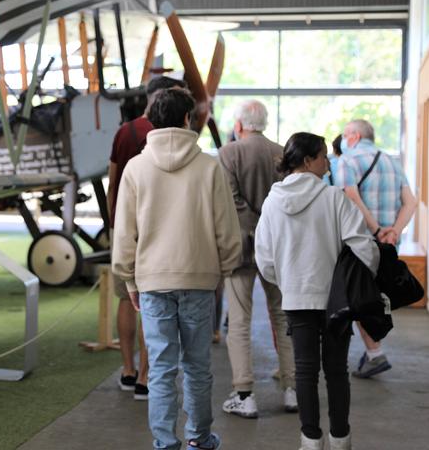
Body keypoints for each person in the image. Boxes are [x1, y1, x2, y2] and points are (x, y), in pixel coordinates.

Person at [112, 88, 242, 450]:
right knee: (197, 367)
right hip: (200, 279)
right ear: (187, 119)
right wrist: (228, 267)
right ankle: (199, 439)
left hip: (152, 281)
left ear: (152, 119)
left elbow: (125, 232)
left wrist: (129, 278)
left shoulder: (136, 168)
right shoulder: (208, 166)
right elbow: (226, 228)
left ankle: (165, 442)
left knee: (162, 368)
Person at [255, 132, 378, 450]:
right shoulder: (335, 198)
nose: (328, 161)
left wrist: (286, 282)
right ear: (308, 161)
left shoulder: (272, 202)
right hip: (335, 298)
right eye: (324, 156)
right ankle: (340, 438)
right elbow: (364, 247)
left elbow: (264, 258)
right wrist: (360, 281)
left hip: (296, 297)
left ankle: (310, 439)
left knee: (304, 370)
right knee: (337, 370)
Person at [107, 75, 186, 401]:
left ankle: (127, 370)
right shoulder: (172, 136)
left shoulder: (125, 132)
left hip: (125, 227)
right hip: (158, 230)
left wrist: (115, 225)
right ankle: (145, 375)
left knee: (127, 298)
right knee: (150, 301)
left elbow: (113, 183)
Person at [218, 100, 297, 419]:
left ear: (239, 125)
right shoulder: (281, 152)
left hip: (239, 245)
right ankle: (292, 388)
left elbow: (227, 199)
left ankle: (244, 392)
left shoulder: (229, 153)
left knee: (239, 320)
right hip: (276, 246)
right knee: (283, 316)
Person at [337, 119, 418, 378]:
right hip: (389, 244)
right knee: (374, 294)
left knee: (358, 294)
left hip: (362, 241)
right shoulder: (391, 160)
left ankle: (374, 353)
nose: (344, 139)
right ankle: (373, 351)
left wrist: (376, 230)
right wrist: (393, 230)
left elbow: (350, 196)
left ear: (354, 136)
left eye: (346, 134)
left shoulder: (348, 160)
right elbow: (411, 202)